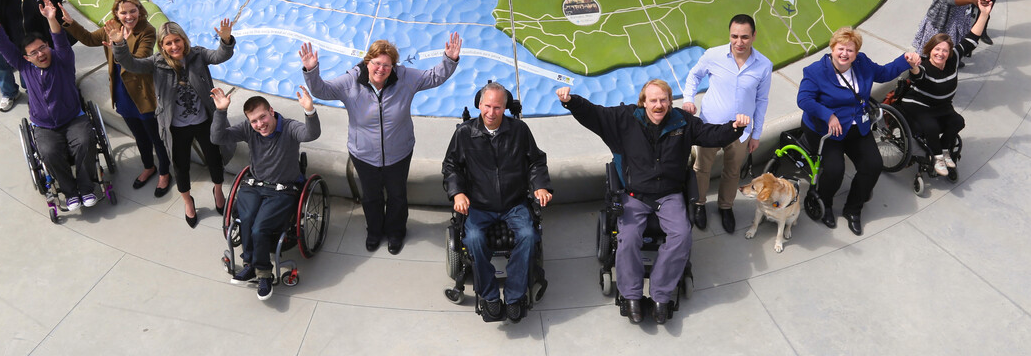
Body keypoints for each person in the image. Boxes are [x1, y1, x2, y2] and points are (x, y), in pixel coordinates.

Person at [556, 80, 749, 324]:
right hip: (635, 194)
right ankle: (631, 295)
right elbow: (594, 115)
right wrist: (571, 102)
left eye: (663, 100)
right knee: (627, 239)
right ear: (643, 102)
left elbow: (710, 135)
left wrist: (734, 128)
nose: (659, 105)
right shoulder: (624, 119)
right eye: (653, 100)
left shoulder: (682, 121)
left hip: (669, 195)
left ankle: (661, 293)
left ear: (670, 101)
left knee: (681, 235)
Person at [300, 32, 462, 254]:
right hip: (363, 155)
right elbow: (321, 90)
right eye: (377, 63)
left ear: (393, 67)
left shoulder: (405, 78)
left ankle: (396, 232)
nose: (381, 69)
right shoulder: (350, 81)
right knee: (371, 197)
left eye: (387, 65)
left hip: (399, 153)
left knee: (397, 195)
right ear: (368, 62)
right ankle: (374, 232)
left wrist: (449, 60)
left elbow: (433, 77)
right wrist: (311, 70)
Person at [442, 82, 552, 323]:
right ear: (479, 105)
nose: (491, 113)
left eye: (498, 108)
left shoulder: (519, 130)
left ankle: (514, 296)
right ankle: (490, 295)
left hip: (514, 203)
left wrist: (540, 185)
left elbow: (536, 161)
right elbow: (451, 167)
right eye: (487, 106)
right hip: (479, 205)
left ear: (505, 108)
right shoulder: (465, 133)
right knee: (472, 239)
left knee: (528, 235)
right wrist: (457, 193)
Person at [113, 18, 235, 228]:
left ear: (183, 40)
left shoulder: (198, 55)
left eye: (177, 41)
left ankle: (218, 190)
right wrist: (119, 45)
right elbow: (130, 64)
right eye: (168, 43)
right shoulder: (156, 63)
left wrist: (225, 40)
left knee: (215, 159)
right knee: (180, 167)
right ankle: (188, 200)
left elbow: (220, 55)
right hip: (175, 127)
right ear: (162, 46)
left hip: (204, 121)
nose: (174, 46)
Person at [797, 28, 920, 235]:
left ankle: (853, 209)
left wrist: (905, 60)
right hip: (827, 131)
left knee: (873, 165)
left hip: (856, 126)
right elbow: (804, 99)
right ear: (832, 48)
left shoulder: (862, 63)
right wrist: (828, 115)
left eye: (850, 50)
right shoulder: (815, 71)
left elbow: (884, 73)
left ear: (856, 53)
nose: (845, 54)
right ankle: (825, 203)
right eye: (841, 49)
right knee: (834, 170)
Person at [0, 0, 99, 209]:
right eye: (34, 52)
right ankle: (70, 192)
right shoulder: (25, 66)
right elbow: (1, 44)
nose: (41, 54)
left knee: (85, 141)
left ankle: (86, 188)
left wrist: (51, 18)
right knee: (48, 152)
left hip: (73, 117)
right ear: (26, 58)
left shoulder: (62, 60)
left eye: (43, 48)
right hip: (44, 125)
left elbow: (60, 40)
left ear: (48, 46)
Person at [211, 86, 321, 299]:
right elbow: (218, 138)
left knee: (259, 228)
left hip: (282, 190)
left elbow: (311, 133)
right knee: (247, 218)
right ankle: (250, 263)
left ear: (271, 111)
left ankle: (263, 274)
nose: (259, 124)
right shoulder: (249, 129)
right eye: (254, 121)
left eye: (262, 117)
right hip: (253, 186)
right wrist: (221, 111)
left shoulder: (289, 128)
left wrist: (309, 111)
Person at [62, 0, 172, 198]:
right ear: (116, 13)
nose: (129, 16)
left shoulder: (146, 31)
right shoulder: (111, 27)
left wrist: (119, 46)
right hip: (122, 93)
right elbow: (88, 39)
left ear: (140, 11)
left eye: (133, 11)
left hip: (142, 95)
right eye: (124, 12)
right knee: (139, 136)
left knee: (156, 137)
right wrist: (70, 23)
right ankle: (149, 166)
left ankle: (164, 172)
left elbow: (138, 62)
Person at [681, 14, 772, 234]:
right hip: (710, 127)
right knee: (701, 169)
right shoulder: (713, 56)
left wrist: (756, 134)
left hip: (740, 133)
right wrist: (688, 100)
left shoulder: (764, 65)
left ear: (754, 36)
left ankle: (725, 207)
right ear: (729, 34)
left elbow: (761, 101)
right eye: (734, 36)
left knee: (732, 171)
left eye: (744, 37)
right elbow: (694, 76)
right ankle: (700, 204)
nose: (739, 42)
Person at [899, 0, 991, 176]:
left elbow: (972, 38)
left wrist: (984, 14)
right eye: (936, 49)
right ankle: (937, 156)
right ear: (929, 50)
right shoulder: (924, 66)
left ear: (950, 53)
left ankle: (945, 149)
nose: (940, 53)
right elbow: (918, 76)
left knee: (958, 122)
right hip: (920, 106)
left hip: (942, 106)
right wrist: (913, 66)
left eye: (944, 50)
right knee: (931, 127)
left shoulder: (953, 59)